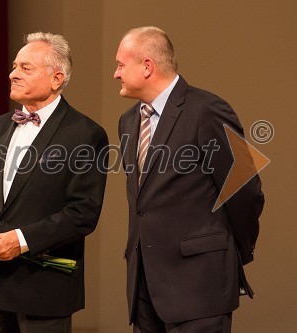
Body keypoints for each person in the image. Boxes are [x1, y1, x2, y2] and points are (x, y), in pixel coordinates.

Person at [0, 32, 108, 333]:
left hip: (44, 293)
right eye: (14, 66)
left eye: (26, 68)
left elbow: (82, 214)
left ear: (56, 78)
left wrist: (21, 241)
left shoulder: (84, 134)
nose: (12, 74)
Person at [114, 26, 264, 332]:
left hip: (199, 286)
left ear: (147, 66)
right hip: (145, 288)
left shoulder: (207, 110)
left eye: (120, 64)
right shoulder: (128, 121)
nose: (115, 74)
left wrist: (232, 250)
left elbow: (246, 191)